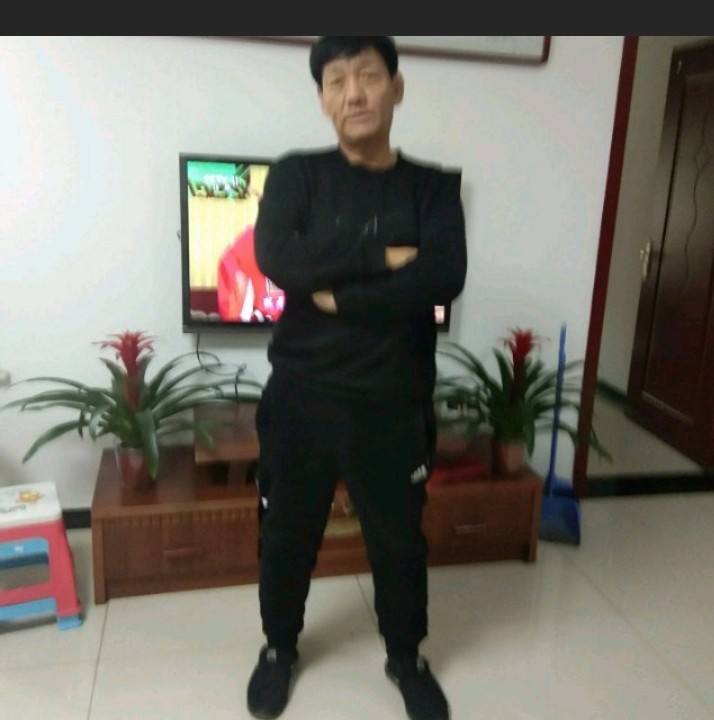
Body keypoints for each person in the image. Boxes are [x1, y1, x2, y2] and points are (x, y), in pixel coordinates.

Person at [247, 36, 467, 720]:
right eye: (338, 80)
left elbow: (441, 279)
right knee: (287, 535)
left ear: (396, 87)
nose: (355, 92)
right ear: (322, 98)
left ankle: (407, 657)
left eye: (368, 75)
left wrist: (337, 294)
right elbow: (279, 258)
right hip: (301, 398)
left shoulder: (433, 188)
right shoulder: (297, 176)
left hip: (393, 401)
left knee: (398, 544)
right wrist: (384, 257)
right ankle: (279, 648)